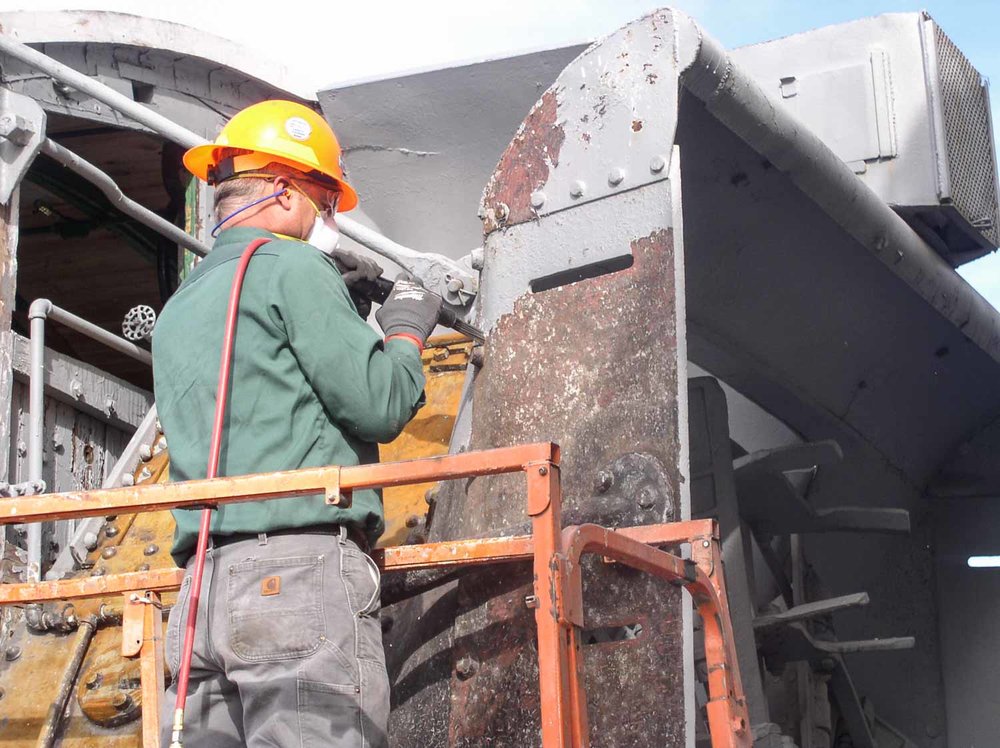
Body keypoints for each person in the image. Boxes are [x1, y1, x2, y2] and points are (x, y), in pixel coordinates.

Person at [152, 100, 441, 747]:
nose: (329, 221)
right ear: (283, 189)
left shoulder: (179, 307)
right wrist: (404, 328)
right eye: (324, 201)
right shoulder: (295, 267)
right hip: (297, 578)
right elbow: (380, 403)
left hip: (200, 595)